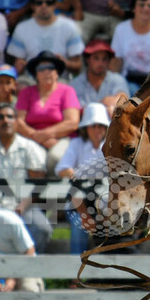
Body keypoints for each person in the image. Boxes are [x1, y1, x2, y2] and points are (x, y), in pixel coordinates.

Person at [0, 103, 52, 251]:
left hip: (24, 205)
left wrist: (22, 207)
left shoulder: (29, 147)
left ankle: (29, 271)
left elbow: (39, 182)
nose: (5, 121)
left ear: (17, 121)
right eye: (0, 117)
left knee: (42, 228)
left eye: (10, 117)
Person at [56, 103, 110, 255]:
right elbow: (62, 169)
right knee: (80, 223)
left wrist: (80, 176)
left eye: (100, 126)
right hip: (77, 203)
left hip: (105, 202)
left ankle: (111, 271)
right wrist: (82, 179)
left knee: (113, 223)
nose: (97, 129)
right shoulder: (76, 144)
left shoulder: (110, 145)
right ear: (86, 128)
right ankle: (76, 272)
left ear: (105, 128)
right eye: (93, 126)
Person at [15, 51, 81, 174]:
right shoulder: (26, 92)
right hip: (31, 139)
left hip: (62, 139)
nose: (47, 72)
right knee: (30, 160)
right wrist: (38, 137)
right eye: (41, 68)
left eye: (51, 68)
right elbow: (19, 122)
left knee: (57, 158)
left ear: (57, 73)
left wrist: (44, 134)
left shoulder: (67, 91)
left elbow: (72, 123)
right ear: (36, 74)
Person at [7, 0, 85, 76]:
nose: (44, 6)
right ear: (32, 6)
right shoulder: (21, 28)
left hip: (60, 81)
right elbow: (18, 65)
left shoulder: (69, 26)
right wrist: (19, 67)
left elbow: (78, 67)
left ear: (55, 5)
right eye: (39, 2)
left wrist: (64, 62)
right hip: (31, 81)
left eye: (49, 2)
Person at [70, 40, 129, 110]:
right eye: (96, 58)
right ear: (88, 60)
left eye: (104, 59)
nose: (100, 63)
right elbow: (76, 110)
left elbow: (123, 101)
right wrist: (103, 103)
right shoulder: (74, 84)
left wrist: (95, 106)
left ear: (109, 61)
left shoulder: (118, 79)